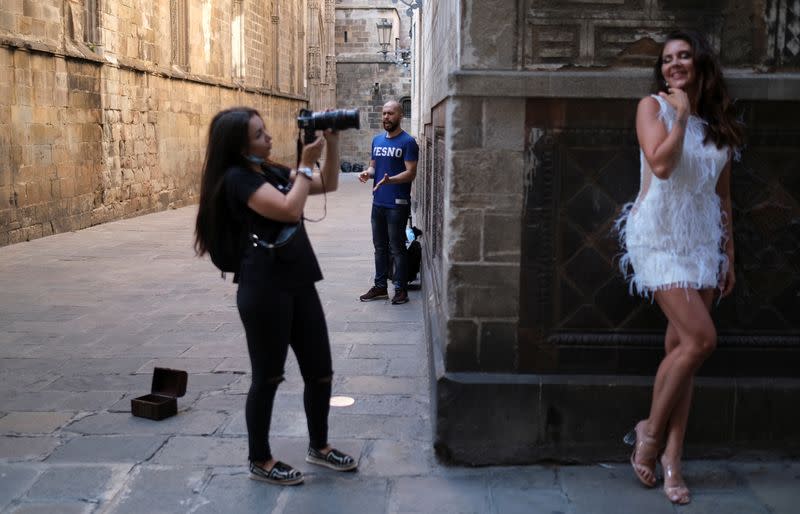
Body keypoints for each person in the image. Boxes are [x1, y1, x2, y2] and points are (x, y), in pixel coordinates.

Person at [194, 107, 357, 486]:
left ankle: (319, 445)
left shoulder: (268, 171)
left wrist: (331, 143)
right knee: (268, 377)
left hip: (299, 280)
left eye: (265, 131)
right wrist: (303, 165)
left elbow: (328, 184)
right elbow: (288, 210)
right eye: (259, 134)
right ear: (238, 146)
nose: (268, 138)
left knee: (321, 371)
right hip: (264, 289)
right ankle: (260, 459)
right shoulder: (236, 180)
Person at [616, 30, 744, 505]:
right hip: (659, 236)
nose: (675, 64)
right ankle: (648, 434)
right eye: (667, 59)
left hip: (702, 240)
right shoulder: (653, 108)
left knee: (682, 352)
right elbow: (663, 165)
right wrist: (681, 114)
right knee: (700, 340)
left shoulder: (718, 123)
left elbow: (723, 194)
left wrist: (729, 254)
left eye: (683, 56)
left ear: (699, 63)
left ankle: (673, 458)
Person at [358, 100, 419, 305]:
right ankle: (380, 287)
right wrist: (368, 173)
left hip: (398, 204)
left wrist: (390, 180)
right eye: (384, 113)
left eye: (390, 113)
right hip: (379, 203)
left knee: (397, 247)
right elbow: (374, 167)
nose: (386, 117)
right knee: (379, 247)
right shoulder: (377, 141)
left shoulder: (408, 142)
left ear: (400, 115)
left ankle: (400, 289)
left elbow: (411, 173)